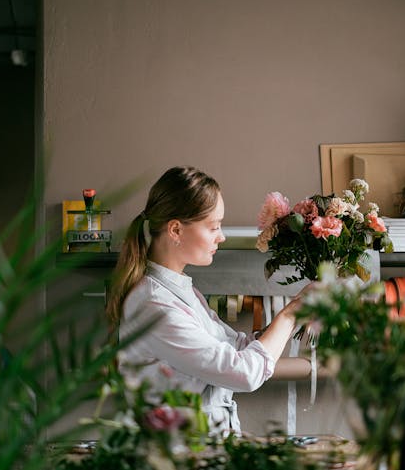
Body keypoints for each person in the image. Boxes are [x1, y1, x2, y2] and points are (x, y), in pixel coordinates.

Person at [106, 165, 311, 437]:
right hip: (180, 458)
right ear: (176, 230)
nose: (222, 236)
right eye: (214, 226)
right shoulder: (154, 305)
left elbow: (235, 346)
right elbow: (243, 372)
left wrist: (299, 310)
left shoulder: (180, 292)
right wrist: (290, 313)